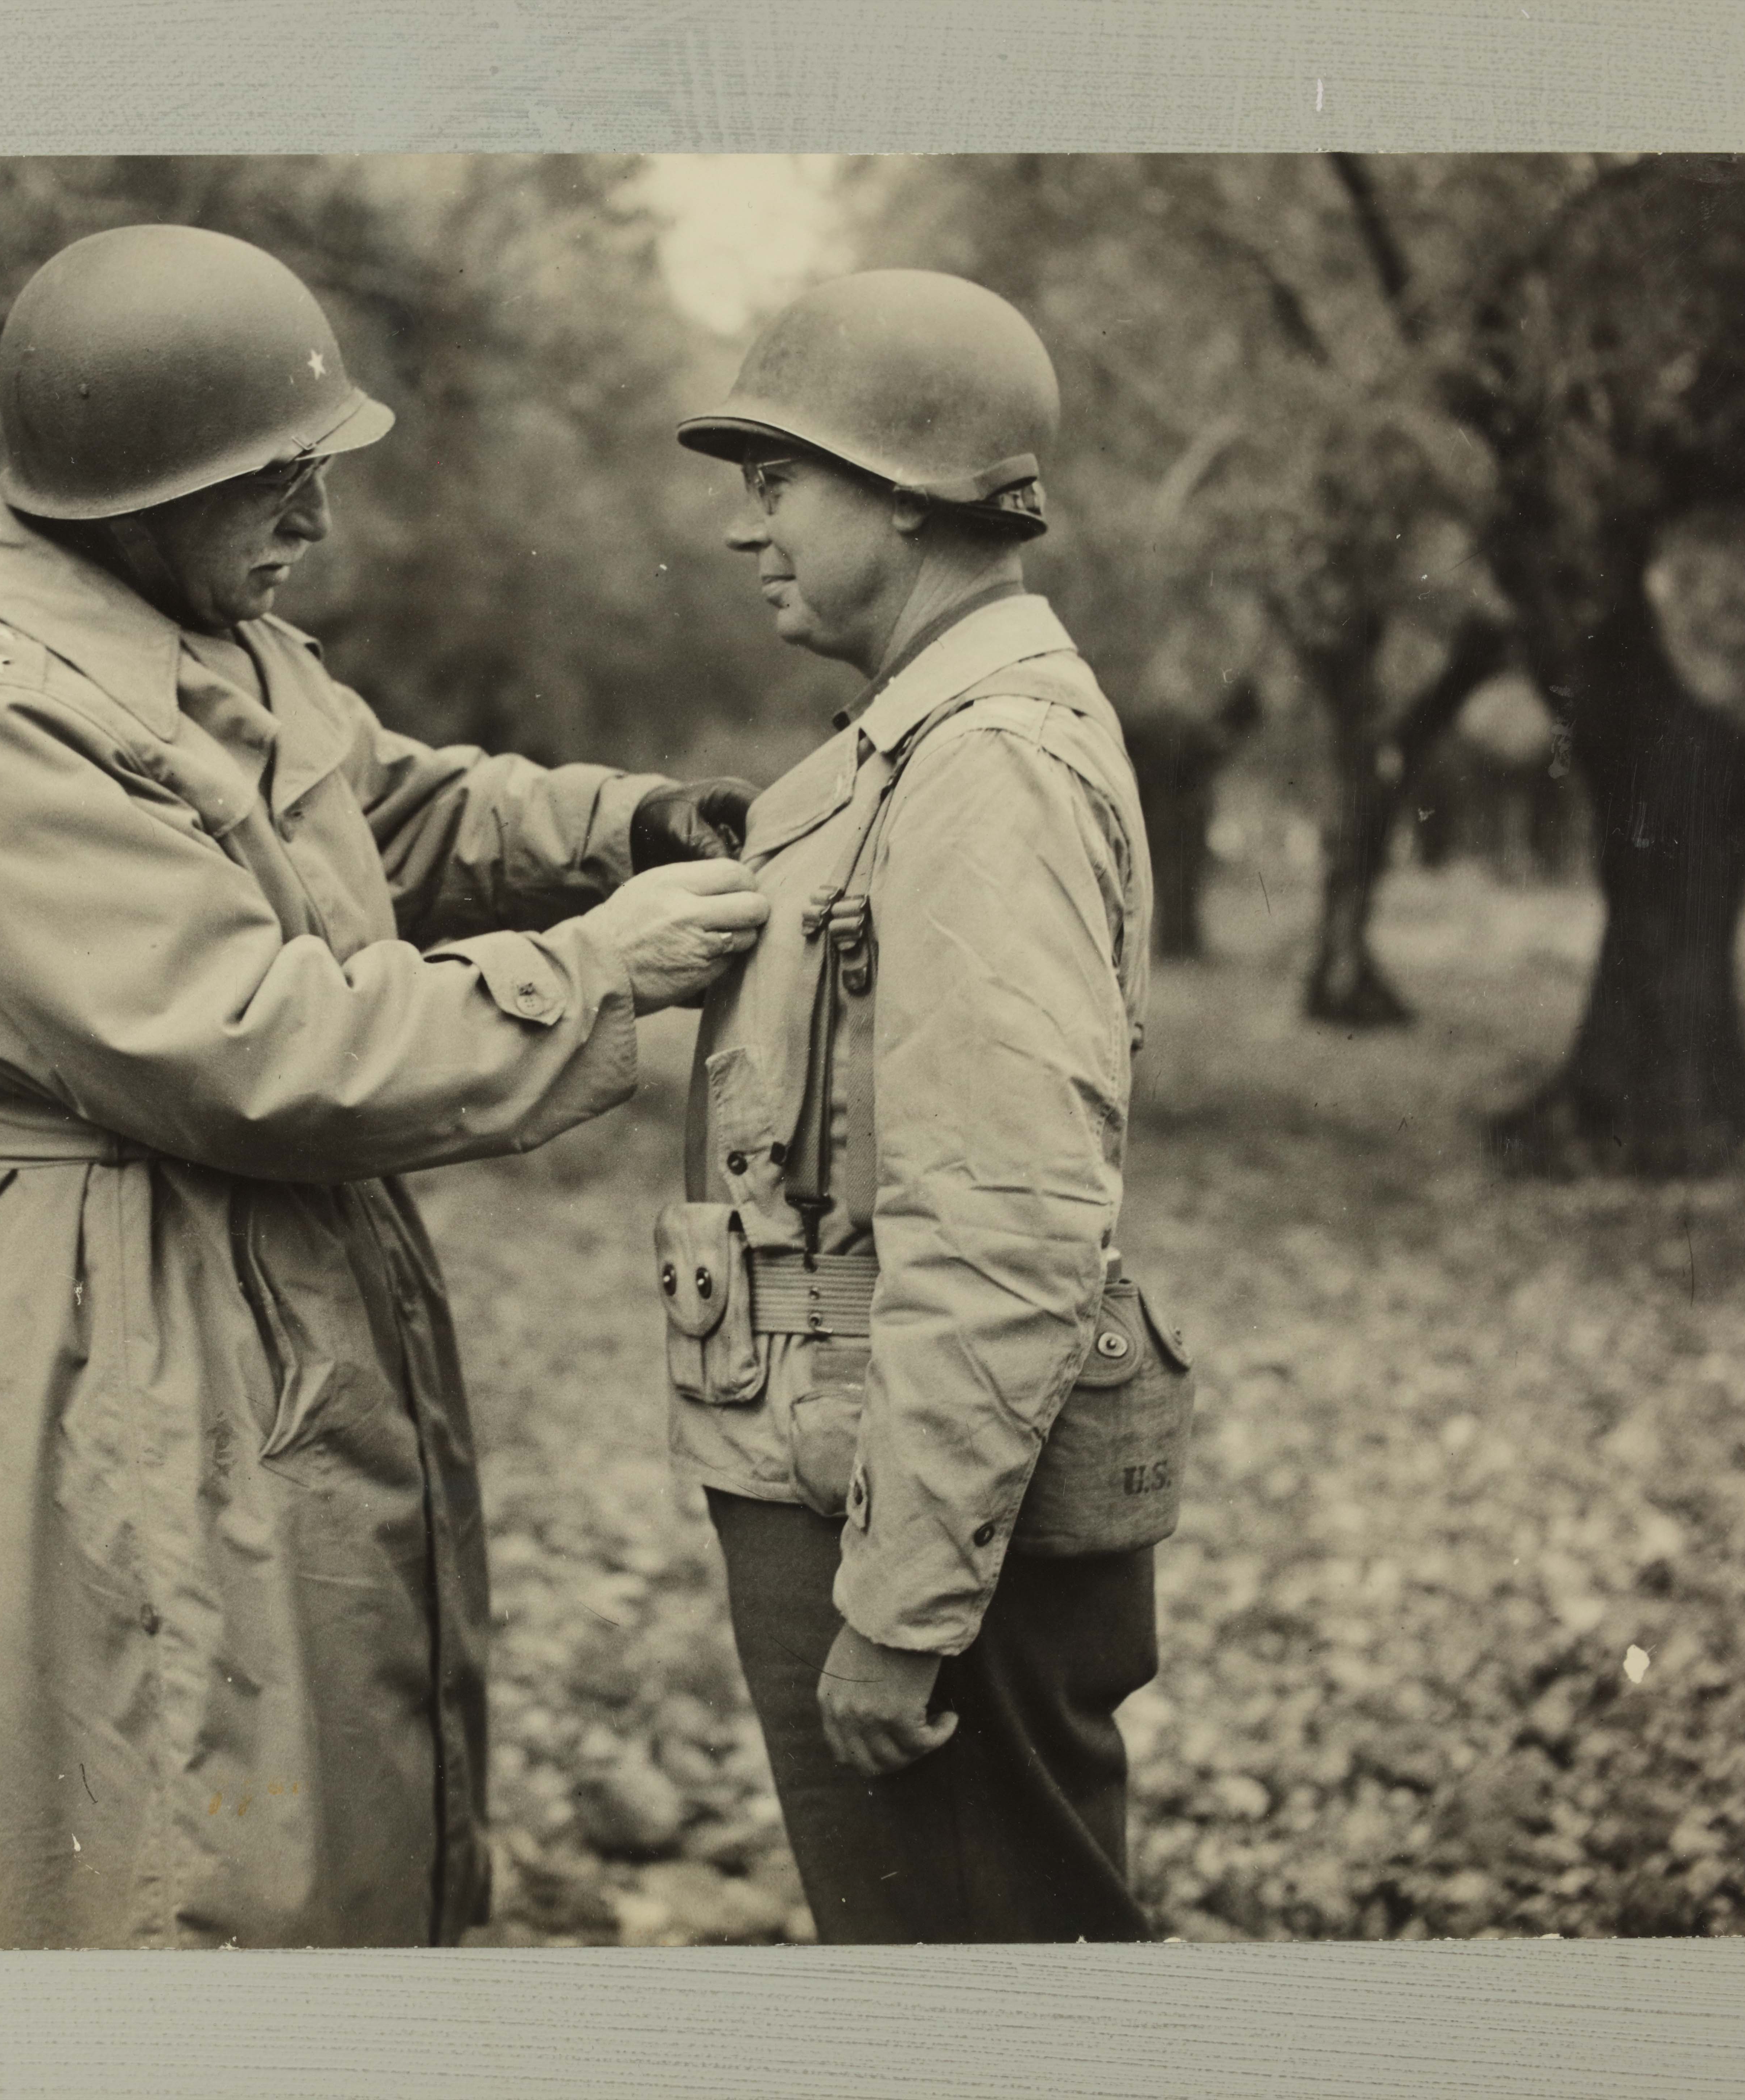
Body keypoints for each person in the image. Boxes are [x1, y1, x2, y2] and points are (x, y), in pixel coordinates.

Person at [0, 224, 766, 1950]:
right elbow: (246, 1041)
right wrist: (601, 967)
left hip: (260, 1280)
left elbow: (382, 813)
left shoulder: (199, 633)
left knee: (317, 1776)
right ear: (129, 491)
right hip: (113, 1312)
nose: (316, 522)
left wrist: (620, 826)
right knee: (161, 1822)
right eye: (277, 482)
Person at [657, 269, 1196, 1943]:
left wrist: (902, 1608)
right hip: (868, 1466)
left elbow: (1008, 1215)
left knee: (986, 1982)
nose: (747, 528)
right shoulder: (928, 739)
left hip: (910, 1507)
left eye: (777, 479)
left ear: (904, 499)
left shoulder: (985, 766)